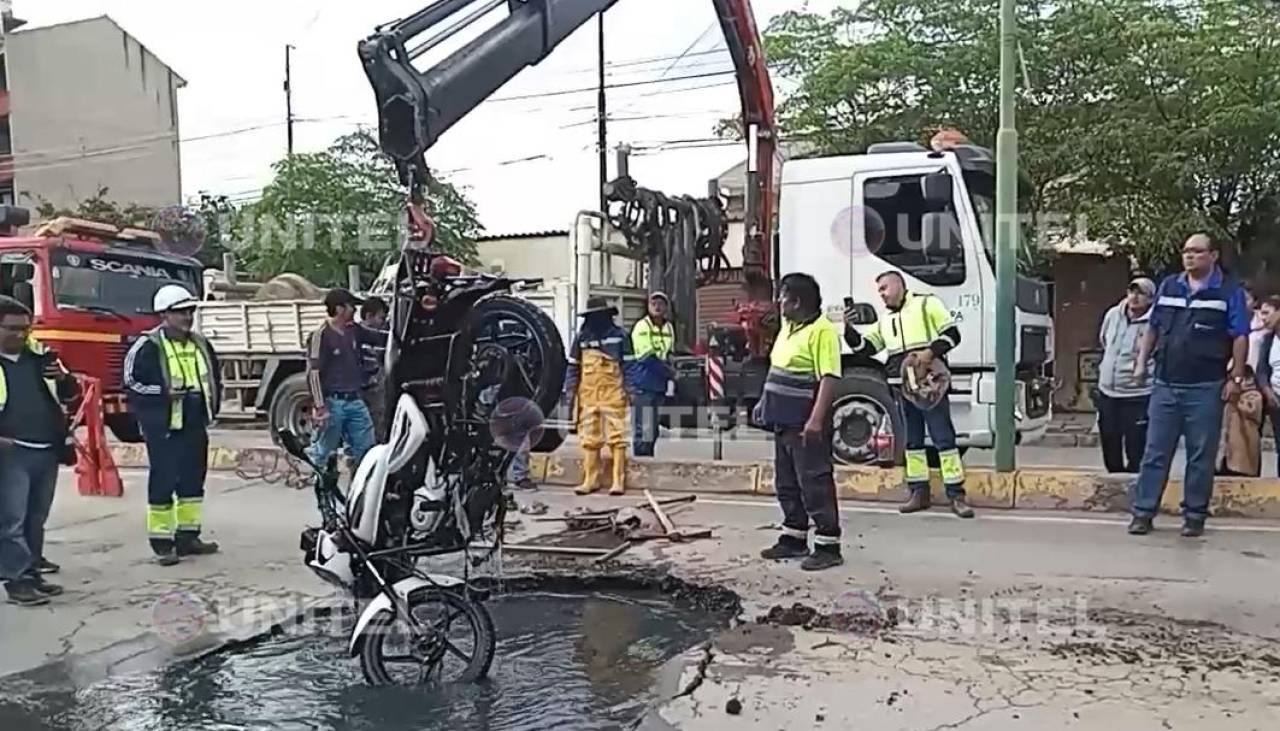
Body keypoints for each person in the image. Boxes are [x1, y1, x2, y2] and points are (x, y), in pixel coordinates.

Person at [1129, 234, 1250, 538]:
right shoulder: (1170, 286)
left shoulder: (1228, 292)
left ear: (1213, 256)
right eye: (1185, 251)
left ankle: (1194, 516)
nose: (1189, 256)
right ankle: (1143, 513)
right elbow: (1153, 328)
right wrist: (1142, 363)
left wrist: (1235, 378)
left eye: (1197, 251)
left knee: (1200, 455)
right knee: (1155, 452)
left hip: (1205, 387)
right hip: (1166, 384)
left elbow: (1239, 336)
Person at [844, 271, 973, 518]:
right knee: (912, 442)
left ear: (899, 285)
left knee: (943, 438)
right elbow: (866, 349)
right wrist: (849, 330)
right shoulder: (885, 320)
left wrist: (930, 352)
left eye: (884, 288)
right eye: (879, 290)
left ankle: (956, 495)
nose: (881, 294)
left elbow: (952, 335)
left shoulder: (927, 304)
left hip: (929, 387)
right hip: (901, 387)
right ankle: (918, 492)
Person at [124, 285, 222, 565]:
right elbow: (131, 382)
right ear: (163, 315)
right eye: (180, 312)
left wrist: (211, 409)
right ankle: (162, 542)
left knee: (193, 480)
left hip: (194, 423)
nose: (187, 317)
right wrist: (163, 393)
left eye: (189, 311)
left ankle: (188, 537)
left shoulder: (200, 343)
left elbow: (214, 379)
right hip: (164, 426)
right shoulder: (147, 346)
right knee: (164, 481)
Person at [754, 273, 843, 571]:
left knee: (814, 482)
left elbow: (828, 378)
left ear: (797, 301)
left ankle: (828, 546)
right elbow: (777, 370)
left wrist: (816, 420)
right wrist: (763, 405)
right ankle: (793, 538)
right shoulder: (789, 328)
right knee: (787, 483)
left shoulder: (823, 331)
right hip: (782, 420)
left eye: (783, 297)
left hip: (805, 422)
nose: (779, 302)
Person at [0, 296, 79, 606]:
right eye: (12, 329)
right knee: (11, 521)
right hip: (10, 454)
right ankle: (16, 580)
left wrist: (64, 378)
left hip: (46, 449)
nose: (20, 335)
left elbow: (70, 395)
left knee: (36, 518)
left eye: (25, 328)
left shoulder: (41, 359)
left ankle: (32, 573)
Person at [563, 296, 637, 496]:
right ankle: (590, 480)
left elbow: (629, 366)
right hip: (588, 394)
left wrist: (631, 390)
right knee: (588, 436)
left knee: (618, 436)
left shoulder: (620, 336)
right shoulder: (582, 338)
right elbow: (573, 367)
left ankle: (618, 480)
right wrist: (570, 391)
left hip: (614, 392)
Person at [307, 289, 382, 467]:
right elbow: (314, 373)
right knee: (324, 453)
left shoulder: (353, 330)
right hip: (333, 403)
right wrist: (320, 406)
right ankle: (323, 486)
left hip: (355, 400)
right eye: (351, 306)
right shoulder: (321, 336)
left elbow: (378, 338)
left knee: (366, 450)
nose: (355, 311)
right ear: (339, 308)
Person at [1095, 277, 1156, 473]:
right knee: (1109, 438)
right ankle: (1113, 481)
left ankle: (1133, 485)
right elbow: (1104, 340)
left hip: (1138, 393)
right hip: (1108, 391)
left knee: (1136, 444)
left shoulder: (1155, 322)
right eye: (1132, 291)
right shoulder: (1113, 314)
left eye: (1141, 293)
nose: (1135, 297)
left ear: (1151, 299)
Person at [630, 292, 676, 457]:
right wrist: (670, 372)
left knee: (653, 429)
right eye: (653, 303)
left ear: (666, 307)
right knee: (644, 428)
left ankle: (647, 460)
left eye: (661, 303)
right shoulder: (642, 326)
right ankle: (641, 462)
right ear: (648, 307)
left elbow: (669, 351)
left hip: (658, 384)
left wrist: (673, 364)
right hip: (644, 382)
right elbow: (646, 357)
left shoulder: (669, 327)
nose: (657, 306)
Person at [1253, 296, 1280, 476]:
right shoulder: (1268, 340)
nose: (1263, 318)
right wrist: (1267, 391)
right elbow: (1262, 370)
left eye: (1267, 313)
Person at [358, 296, 390, 442]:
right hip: (362, 390)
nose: (383, 323)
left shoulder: (379, 337)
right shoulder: (355, 335)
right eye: (381, 318)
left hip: (374, 389)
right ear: (369, 316)